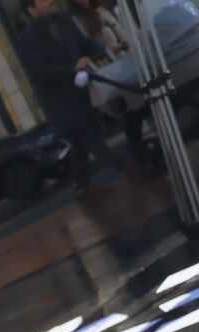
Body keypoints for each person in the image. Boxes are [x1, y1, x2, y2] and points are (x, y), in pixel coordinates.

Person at [18, 0, 123, 190]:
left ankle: (81, 186)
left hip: (81, 92)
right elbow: (41, 72)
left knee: (80, 145)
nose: (50, 1)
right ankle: (121, 167)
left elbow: (83, 44)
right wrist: (72, 68)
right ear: (31, 10)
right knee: (90, 138)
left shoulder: (64, 20)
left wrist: (106, 50)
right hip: (60, 103)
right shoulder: (27, 40)